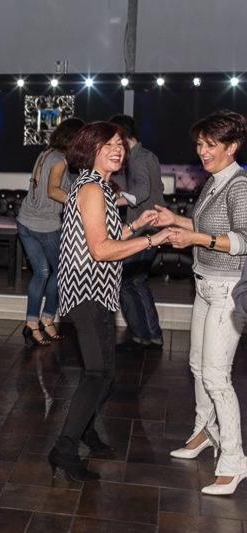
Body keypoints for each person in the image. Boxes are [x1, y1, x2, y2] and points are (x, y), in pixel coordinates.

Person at [52, 122, 173, 482]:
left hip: (99, 289)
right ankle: (64, 450)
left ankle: (86, 431)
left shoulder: (101, 186)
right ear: (90, 149)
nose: (118, 149)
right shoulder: (91, 187)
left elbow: (107, 235)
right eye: (108, 145)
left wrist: (138, 226)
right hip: (86, 290)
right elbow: (101, 249)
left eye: (120, 144)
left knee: (103, 372)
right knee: (98, 374)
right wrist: (153, 240)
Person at [154, 110, 247, 495]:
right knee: (196, 366)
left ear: (232, 146)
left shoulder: (239, 185)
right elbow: (208, 227)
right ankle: (205, 432)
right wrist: (175, 219)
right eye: (200, 144)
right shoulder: (214, 180)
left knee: (216, 376)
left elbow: (243, 240)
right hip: (204, 286)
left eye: (211, 144)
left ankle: (235, 461)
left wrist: (195, 239)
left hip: (227, 289)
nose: (203, 151)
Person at [16, 118, 84, 346]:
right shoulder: (60, 161)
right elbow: (53, 191)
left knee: (42, 272)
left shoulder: (46, 154)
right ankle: (47, 318)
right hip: (45, 226)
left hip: (25, 222)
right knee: (62, 271)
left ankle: (32, 324)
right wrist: (82, 202)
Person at [108, 114, 166, 351]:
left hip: (143, 230)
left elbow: (143, 191)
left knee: (122, 283)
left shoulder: (138, 159)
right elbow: (157, 188)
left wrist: (110, 200)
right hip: (153, 228)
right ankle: (153, 335)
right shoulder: (148, 155)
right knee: (138, 282)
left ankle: (140, 337)